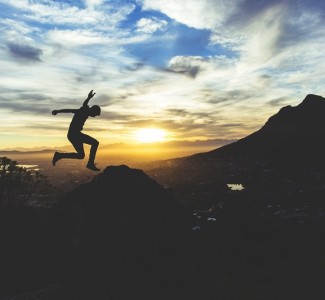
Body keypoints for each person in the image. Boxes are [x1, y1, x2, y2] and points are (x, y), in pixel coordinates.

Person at [51, 90, 101, 171]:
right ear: (93, 110)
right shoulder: (84, 110)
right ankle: (90, 164)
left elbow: (76, 108)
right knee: (95, 143)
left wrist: (58, 111)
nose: (95, 116)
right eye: (95, 114)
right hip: (74, 135)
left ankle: (59, 155)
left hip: (74, 135)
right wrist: (88, 98)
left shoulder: (86, 112)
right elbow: (79, 106)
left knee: (81, 156)